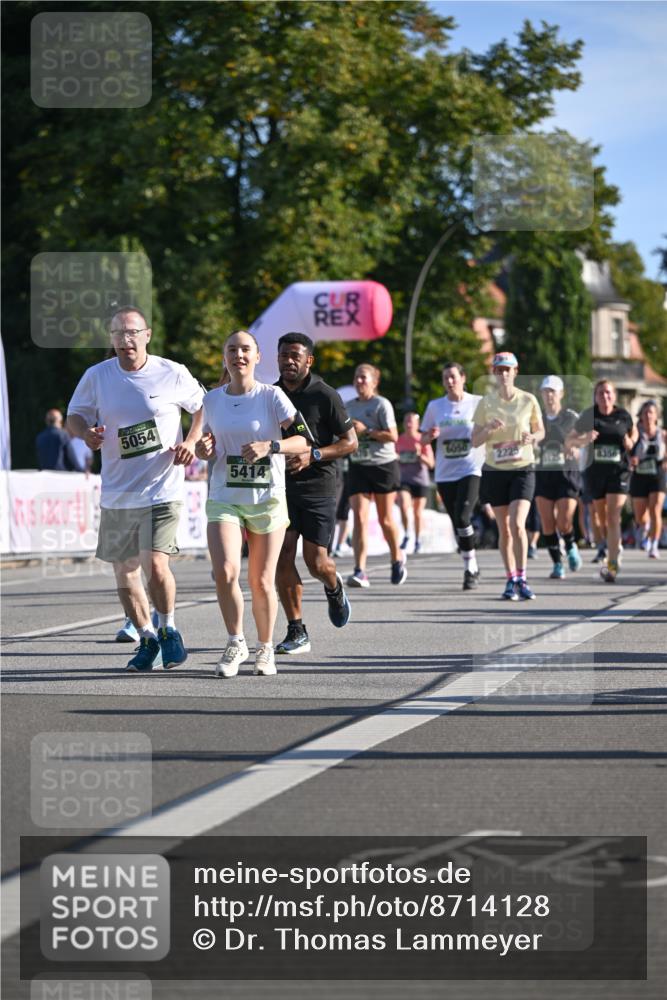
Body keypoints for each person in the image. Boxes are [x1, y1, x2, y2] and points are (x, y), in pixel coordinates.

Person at [67, 306, 204, 670]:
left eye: (132, 332)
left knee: (156, 565)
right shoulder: (97, 376)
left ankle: (169, 629)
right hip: (117, 491)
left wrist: (191, 440)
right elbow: (74, 416)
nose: (126, 340)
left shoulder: (171, 372)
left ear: (147, 334)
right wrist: (86, 434)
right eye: (118, 334)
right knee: (124, 572)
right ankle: (146, 638)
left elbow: (204, 406)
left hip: (162, 488)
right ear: (110, 340)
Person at [196, 329, 308, 677]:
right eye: (232, 349)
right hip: (224, 496)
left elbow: (303, 440)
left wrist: (270, 446)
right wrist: (203, 450)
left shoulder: (272, 397)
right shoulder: (212, 400)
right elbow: (205, 446)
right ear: (224, 357)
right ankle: (235, 642)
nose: (238, 355)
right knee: (225, 571)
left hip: (267, 498)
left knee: (261, 581)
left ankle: (265, 648)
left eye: (245, 349)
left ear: (257, 357)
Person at [273, 332, 357, 654]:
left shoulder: (325, 395)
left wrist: (315, 455)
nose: (288, 361)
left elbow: (351, 442)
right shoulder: (270, 394)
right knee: (282, 555)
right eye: (283, 355)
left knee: (315, 562)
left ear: (309, 360)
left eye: (295, 355)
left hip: (319, 486)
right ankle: (297, 630)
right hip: (280, 487)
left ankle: (334, 588)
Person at [472, 352, 544, 600]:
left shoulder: (528, 400)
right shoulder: (486, 403)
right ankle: (511, 579)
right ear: (494, 373)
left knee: (517, 523)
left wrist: (532, 438)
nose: (503, 374)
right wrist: (488, 429)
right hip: (495, 470)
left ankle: (522, 578)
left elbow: (540, 431)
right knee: (505, 529)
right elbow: (474, 440)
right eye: (499, 370)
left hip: (522, 468)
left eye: (507, 370)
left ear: (515, 372)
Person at [421, 362, 485, 589]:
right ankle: (472, 562)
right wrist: (430, 435)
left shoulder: (477, 403)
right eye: (445, 378)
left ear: (463, 378)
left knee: (463, 516)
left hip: (470, 468)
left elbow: (486, 432)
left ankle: (470, 568)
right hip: (445, 473)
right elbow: (423, 440)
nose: (449, 381)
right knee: (457, 522)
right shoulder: (435, 407)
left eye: (453, 377)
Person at [566, 379, 636, 583]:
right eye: (600, 393)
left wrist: (631, 441)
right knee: (601, 518)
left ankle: (612, 565)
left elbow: (633, 432)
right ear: (595, 397)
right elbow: (570, 440)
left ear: (613, 396)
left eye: (608, 393)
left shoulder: (623, 415)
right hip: (595, 473)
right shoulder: (588, 416)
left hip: (619, 471)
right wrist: (584, 440)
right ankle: (613, 546)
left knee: (614, 516)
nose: (605, 397)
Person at [345, 364, 406, 587]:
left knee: (385, 519)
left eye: (363, 378)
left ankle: (397, 557)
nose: (359, 381)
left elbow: (393, 436)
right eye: (357, 378)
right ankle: (360, 571)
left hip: (383, 465)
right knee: (359, 518)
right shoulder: (348, 406)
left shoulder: (381, 404)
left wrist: (367, 430)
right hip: (358, 465)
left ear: (374, 382)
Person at [534, 375, 582, 579]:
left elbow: (582, 438)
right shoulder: (536, 419)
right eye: (545, 391)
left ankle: (570, 545)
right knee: (547, 523)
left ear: (561, 394)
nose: (549, 395)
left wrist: (576, 447)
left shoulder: (571, 417)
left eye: (553, 391)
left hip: (566, 474)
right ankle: (557, 564)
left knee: (563, 521)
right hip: (543, 475)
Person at [629, 400, 666, 560]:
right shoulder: (635, 433)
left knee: (655, 510)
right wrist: (632, 458)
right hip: (639, 475)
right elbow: (628, 451)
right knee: (640, 516)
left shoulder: (663, 434)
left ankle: (654, 545)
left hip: (657, 474)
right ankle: (645, 527)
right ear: (641, 416)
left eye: (651, 412)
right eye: (645, 413)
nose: (648, 415)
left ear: (656, 416)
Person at [396, 412, 434, 554]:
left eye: (412, 422)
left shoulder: (422, 440)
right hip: (404, 480)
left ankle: (418, 539)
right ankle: (407, 534)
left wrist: (420, 455)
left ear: (418, 425)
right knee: (404, 506)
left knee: (418, 513)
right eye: (406, 421)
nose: (409, 425)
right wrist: (396, 458)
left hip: (420, 480)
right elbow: (392, 457)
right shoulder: (398, 440)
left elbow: (431, 464)